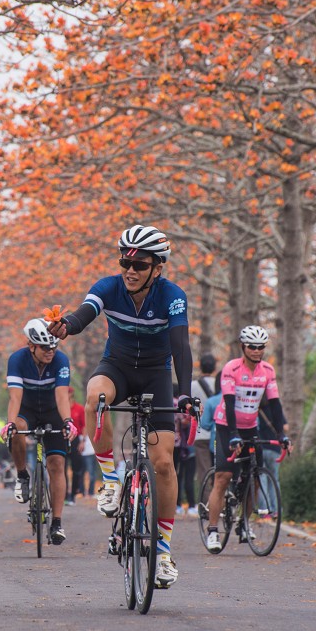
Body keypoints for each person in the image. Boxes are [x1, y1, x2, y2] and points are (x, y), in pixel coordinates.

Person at [47, 225, 195, 588]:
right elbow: (86, 311)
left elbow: (179, 344)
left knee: (163, 464)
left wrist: (186, 393)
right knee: (96, 396)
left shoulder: (173, 296)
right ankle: (111, 481)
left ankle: (162, 554)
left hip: (156, 376)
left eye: (139, 264)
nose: (130, 270)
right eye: (124, 261)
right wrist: (67, 325)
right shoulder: (109, 286)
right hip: (118, 369)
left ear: (157, 268)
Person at [204, 325, 290, 552]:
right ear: (243, 347)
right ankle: (213, 530)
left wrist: (282, 434)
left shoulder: (267, 371)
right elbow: (230, 403)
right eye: (252, 346)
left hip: (251, 427)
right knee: (223, 477)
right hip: (226, 426)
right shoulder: (231, 369)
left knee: (255, 477)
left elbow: (274, 404)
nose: (257, 351)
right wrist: (232, 435)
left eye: (261, 347)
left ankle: (243, 524)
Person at [2, 319, 76, 544]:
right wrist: (11, 423)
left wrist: (67, 421)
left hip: (52, 411)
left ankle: (56, 522)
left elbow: (62, 395)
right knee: (18, 430)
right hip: (27, 410)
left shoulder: (61, 360)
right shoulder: (17, 360)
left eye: (53, 347)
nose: (50, 352)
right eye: (45, 347)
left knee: (56, 464)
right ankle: (23, 474)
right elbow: (15, 397)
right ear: (31, 345)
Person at [191, 353, 218, 490]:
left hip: (200, 433)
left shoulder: (193, 385)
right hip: (218, 432)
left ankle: (205, 505)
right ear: (215, 368)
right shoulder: (219, 385)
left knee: (204, 471)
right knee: (220, 471)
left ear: (200, 367)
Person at [173, 386, 197, 516]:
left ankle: (175, 504)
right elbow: (184, 421)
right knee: (180, 473)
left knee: (173, 473)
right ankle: (187, 504)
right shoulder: (178, 404)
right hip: (178, 443)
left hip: (165, 442)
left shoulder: (165, 402)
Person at [67, 387, 87, 502]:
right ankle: (64, 494)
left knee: (76, 468)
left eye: (68, 392)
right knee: (61, 467)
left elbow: (84, 425)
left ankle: (74, 492)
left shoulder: (79, 408)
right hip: (62, 438)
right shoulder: (60, 407)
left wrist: (83, 441)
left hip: (75, 439)